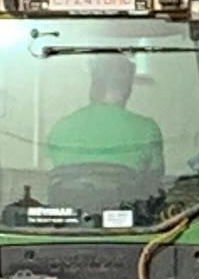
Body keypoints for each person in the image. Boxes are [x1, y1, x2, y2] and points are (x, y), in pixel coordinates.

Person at [43, 50, 168, 182]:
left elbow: (50, 175)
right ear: (128, 89)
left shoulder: (60, 128)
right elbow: (154, 183)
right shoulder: (147, 129)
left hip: (67, 202)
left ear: (93, 85)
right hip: (126, 202)